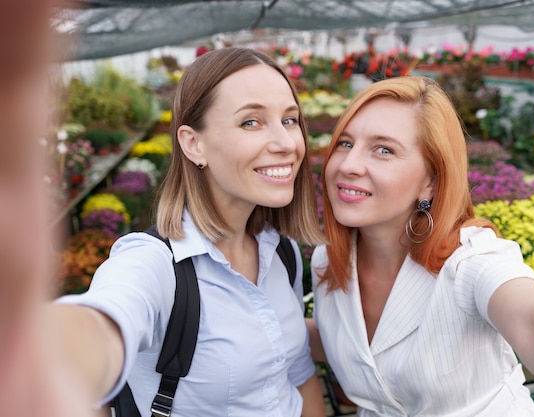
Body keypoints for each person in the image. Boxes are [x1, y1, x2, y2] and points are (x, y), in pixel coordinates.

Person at [16, 46, 327, 417]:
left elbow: (296, 376)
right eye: (251, 122)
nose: (286, 144)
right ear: (194, 144)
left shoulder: (282, 253)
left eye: (290, 120)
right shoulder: (155, 264)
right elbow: (106, 321)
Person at [307, 75, 534, 416]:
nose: (348, 165)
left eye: (384, 149)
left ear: (430, 180)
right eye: (344, 143)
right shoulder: (329, 261)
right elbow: (355, 347)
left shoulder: (470, 261)